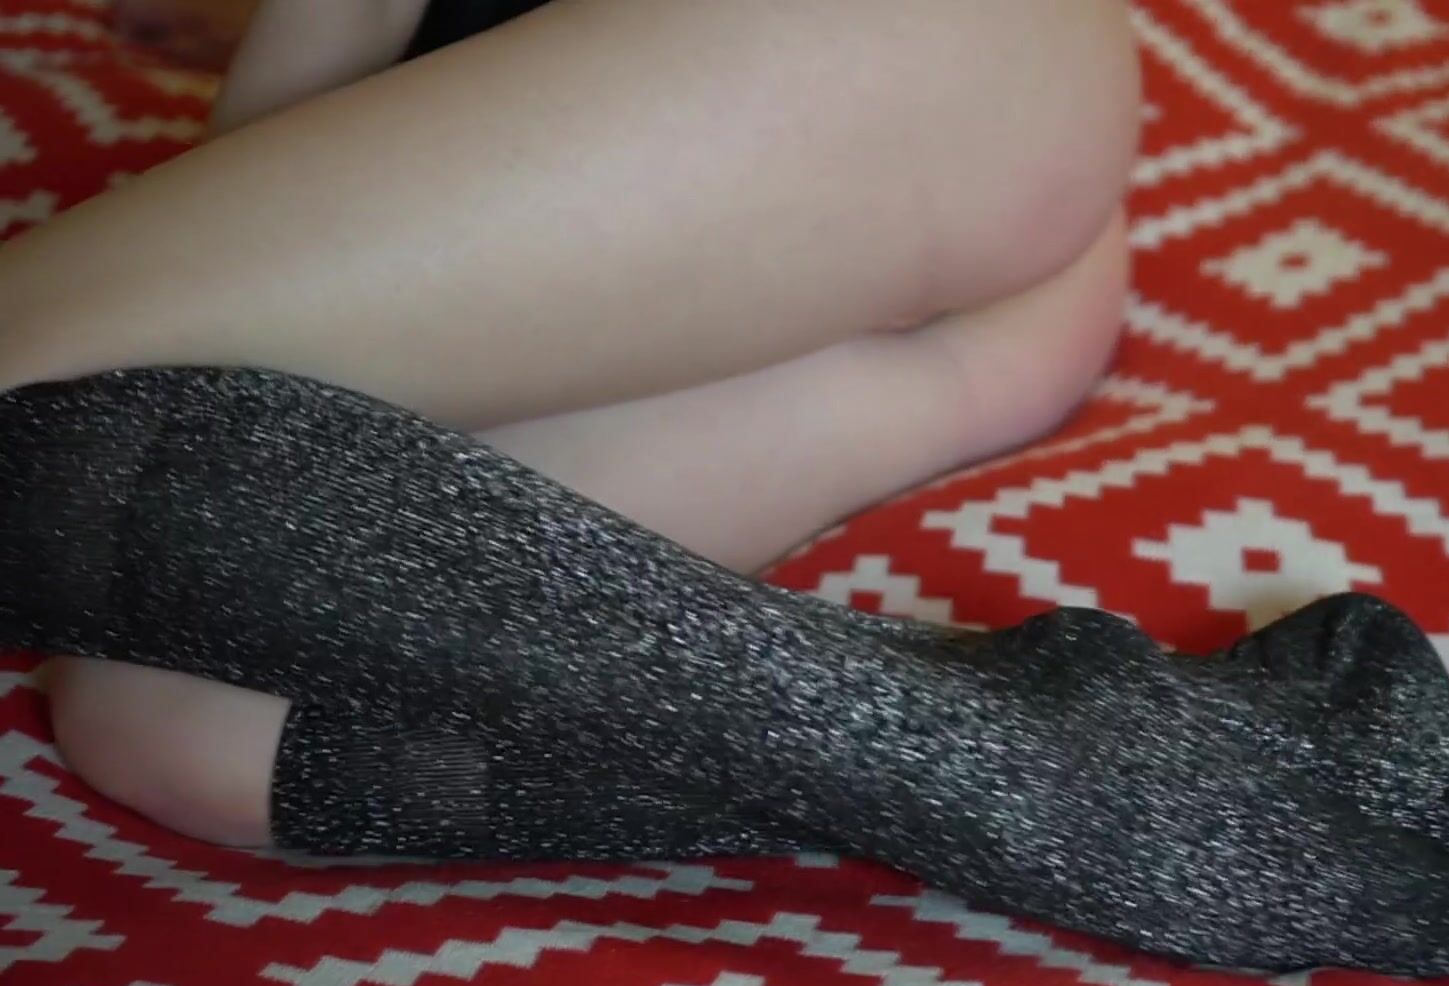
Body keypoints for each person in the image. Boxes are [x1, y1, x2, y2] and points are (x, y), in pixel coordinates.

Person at [0, 0, 1140, 847]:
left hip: (887, 69)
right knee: (174, 723)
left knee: (53, 407)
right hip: (895, 268)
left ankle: (1133, 804)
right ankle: (1082, 777)